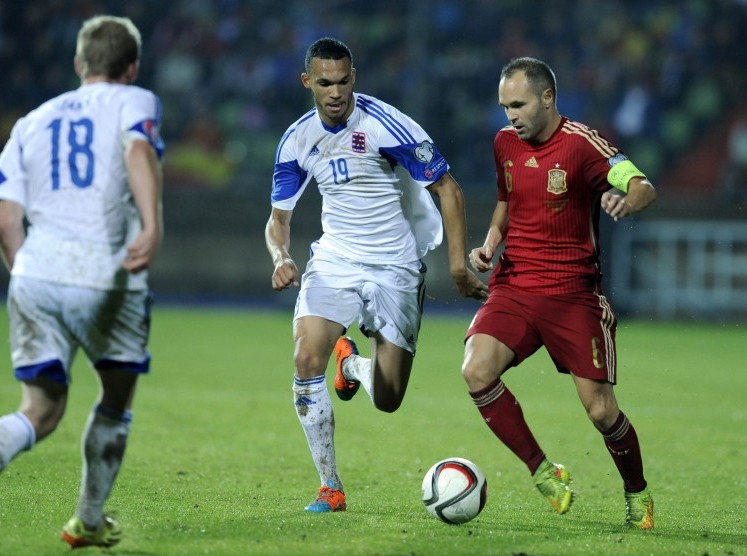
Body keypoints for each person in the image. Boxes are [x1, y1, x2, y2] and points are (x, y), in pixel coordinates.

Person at [0, 15, 164, 552]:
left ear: (79, 65)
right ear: (132, 68)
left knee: (38, 409)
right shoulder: (136, 100)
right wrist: (151, 223)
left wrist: (30, 280)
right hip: (107, 273)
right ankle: (89, 520)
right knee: (116, 396)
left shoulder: (31, 121)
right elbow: (138, 152)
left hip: (34, 271)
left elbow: (5, 222)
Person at [265, 37, 488, 513]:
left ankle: (351, 365)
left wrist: (455, 266)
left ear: (354, 78)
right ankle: (330, 487)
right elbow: (278, 218)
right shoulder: (297, 140)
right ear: (308, 82)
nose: (335, 92)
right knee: (306, 359)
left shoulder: (387, 124)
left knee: (388, 398)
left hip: (395, 267)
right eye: (325, 82)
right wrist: (281, 257)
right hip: (336, 261)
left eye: (344, 81)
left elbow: (448, 189)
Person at [463, 57, 657, 529]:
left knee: (600, 410)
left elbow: (641, 185)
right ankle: (544, 471)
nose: (510, 115)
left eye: (519, 104)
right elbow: (506, 200)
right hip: (515, 286)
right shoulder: (504, 143)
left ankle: (638, 494)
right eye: (505, 106)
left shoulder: (582, 145)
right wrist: (490, 244)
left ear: (547, 98)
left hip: (573, 295)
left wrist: (626, 200)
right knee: (476, 371)